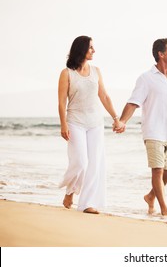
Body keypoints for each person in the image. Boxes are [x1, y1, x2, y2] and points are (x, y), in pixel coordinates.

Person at [115, 38, 167, 216]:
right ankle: (164, 209)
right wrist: (122, 121)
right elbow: (133, 103)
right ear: (161, 54)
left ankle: (150, 196)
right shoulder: (146, 78)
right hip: (153, 131)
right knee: (157, 170)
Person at [58, 35, 124, 214]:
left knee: (94, 164)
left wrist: (116, 118)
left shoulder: (96, 71)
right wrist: (63, 124)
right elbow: (62, 102)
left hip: (95, 123)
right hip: (75, 122)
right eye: (91, 48)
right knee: (80, 162)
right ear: (81, 49)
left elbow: (104, 96)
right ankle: (71, 190)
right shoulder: (67, 73)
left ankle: (87, 203)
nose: (94, 51)